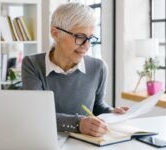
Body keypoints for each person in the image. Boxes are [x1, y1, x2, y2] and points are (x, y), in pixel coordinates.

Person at [22, 3, 128, 137]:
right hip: (44, 140)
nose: (86, 46)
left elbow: (97, 106)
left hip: (85, 144)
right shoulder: (32, 64)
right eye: (80, 37)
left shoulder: (99, 68)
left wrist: (112, 112)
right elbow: (36, 114)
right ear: (55, 33)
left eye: (90, 38)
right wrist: (78, 124)